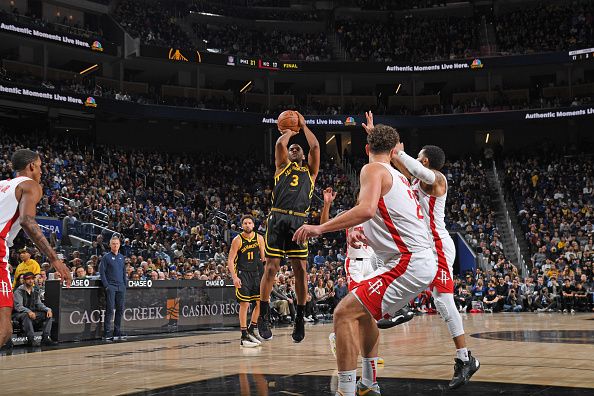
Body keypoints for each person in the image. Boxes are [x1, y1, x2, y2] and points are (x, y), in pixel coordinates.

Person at [294, 123, 438, 396]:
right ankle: (369, 384)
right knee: (364, 316)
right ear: (395, 150)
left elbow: (368, 210)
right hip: (412, 260)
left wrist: (320, 228)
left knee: (343, 313)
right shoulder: (399, 177)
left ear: (366, 149)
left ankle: (346, 391)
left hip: (407, 261)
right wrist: (361, 232)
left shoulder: (371, 169)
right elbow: (387, 218)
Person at [388, 129, 479, 388]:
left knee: (443, 300)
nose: (415, 160)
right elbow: (400, 167)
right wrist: (385, 145)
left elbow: (415, 170)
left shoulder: (437, 179)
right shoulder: (418, 181)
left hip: (438, 245)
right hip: (421, 246)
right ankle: (399, 309)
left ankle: (465, 359)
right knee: (398, 268)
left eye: (418, 157)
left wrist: (400, 152)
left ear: (425, 161)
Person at [0, 149, 72, 349]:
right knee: (4, 329)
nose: (41, 171)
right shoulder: (31, 185)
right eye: (40, 167)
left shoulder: (2, 185)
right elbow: (27, 221)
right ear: (32, 166)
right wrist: (55, 259)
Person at [259, 111, 320, 343]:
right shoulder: (281, 167)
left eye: (298, 148)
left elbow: (315, 148)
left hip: (298, 221)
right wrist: (288, 132)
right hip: (278, 218)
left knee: (301, 272)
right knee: (271, 268)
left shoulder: (310, 172)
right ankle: (263, 315)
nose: (294, 148)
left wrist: (303, 127)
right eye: (291, 148)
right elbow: (279, 145)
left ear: (303, 156)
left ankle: (300, 317)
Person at [227, 215, 266, 348]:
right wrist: (234, 277)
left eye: (250, 223)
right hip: (243, 274)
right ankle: (243, 335)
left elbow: (264, 259)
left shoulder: (260, 238)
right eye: (245, 223)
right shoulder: (237, 240)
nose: (247, 225)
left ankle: (251, 329)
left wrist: (268, 276)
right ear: (241, 225)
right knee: (244, 304)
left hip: (256, 274)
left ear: (253, 225)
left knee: (260, 303)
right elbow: (230, 260)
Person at [12, 272, 57, 346]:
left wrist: (48, 309)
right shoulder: (18, 291)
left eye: (32, 279)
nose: (31, 281)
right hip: (18, 314)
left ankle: (46, 338)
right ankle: (31, 339)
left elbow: (39, 304)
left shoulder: (35, 292)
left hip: (32, 313)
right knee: (26, 315)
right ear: (24, 280)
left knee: (48, 314)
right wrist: (29, 311)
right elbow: (18, 307)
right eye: (28, 279)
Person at [99, 235, 127, 341]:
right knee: (110, 309)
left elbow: (124, 272)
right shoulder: (106, 257)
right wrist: (106, 285)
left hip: (121, 287)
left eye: (117, 244)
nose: (115, 245)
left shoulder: (121, 257)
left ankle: (117, 331)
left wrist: (125, 285)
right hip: (111, 286)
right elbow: (102, 272)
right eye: (113, 244)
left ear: (119, 245)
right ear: (110, 245)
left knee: (120, 309)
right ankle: (107, 332)